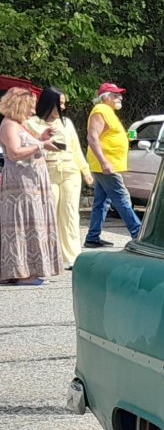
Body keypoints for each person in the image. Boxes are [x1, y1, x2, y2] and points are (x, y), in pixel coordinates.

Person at [0, 87, 62, 285]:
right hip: (20, 185)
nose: (33, 111)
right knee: (22, 226)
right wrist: (42, 145)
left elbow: (28, 145)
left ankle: (30, 269)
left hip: (32, 184)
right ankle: (20, 272)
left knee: (32, 225)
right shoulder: (9, 125)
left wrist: (41, 137)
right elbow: (14, 153)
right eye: (30, 106)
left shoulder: (20, 124)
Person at [28, 87, 92, 268]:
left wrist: (85, 171)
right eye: (60, 103)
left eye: (64, 103)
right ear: (50, 102)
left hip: (70, 170)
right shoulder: (32, 123)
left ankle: (72, 257)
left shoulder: (67, 123)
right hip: (47, 170)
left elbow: (76, 148)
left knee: (70, 213)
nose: (63, 107)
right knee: (50, 213)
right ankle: (49, 256)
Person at [84, 82, 142, 248]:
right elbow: (92, 138)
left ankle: (92, 237)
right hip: (106, 165)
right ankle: (138, 234)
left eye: (119, 95)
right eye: (116, 95)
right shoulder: (100, 110)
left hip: (107, 164)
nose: (120, 97)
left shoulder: (107, 111)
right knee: (122, 198)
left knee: (102, 202)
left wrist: (125, 137)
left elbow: (106, 136)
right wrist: (104, 162)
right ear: (106, 97)